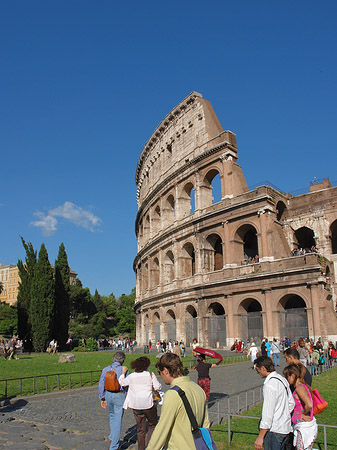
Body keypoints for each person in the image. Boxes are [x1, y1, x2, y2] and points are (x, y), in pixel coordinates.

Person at [146, 353, 210, 450]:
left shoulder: (173, 394)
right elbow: (206, 424)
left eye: (160, 373)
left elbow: (162, 429)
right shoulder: (198, 389)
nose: (161, 377)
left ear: (166, 371)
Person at [118, 357, 161, 450]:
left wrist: (122, 373)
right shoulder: (150, 375)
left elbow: (122, 383)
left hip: (136, 405)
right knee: (152, 425)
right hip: (148, 404)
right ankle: (149, 445)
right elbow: (157, 387)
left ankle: (141, 448)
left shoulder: (132, 376)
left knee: (140, 429)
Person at [254, 356, 295, 450]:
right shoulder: (282, 379)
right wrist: (282, 415)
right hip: (285, 428)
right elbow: (291, 403)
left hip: (274, 430)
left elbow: (267, 414)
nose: (257, 372)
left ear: (263, 368)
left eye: (258, 370)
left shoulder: (269, 385)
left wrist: (260, 436)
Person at [283, 364, 317, 450]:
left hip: (303, 427)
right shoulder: (303, 386)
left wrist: (302, 414)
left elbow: (309, 404)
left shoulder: (299, 388)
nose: (287, 380)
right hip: (301, 426)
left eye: (287, 377)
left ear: (293, 375)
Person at [98, 351, 128, 450]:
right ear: (122, 360)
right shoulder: (123, 370)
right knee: (118, 420)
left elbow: (101, 384)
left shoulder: (106, 369)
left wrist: (102, 397)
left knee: (112, 416)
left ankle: (112, 437)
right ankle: (114, 446)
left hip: (108, 395)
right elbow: (127, 384)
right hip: (119, 395)